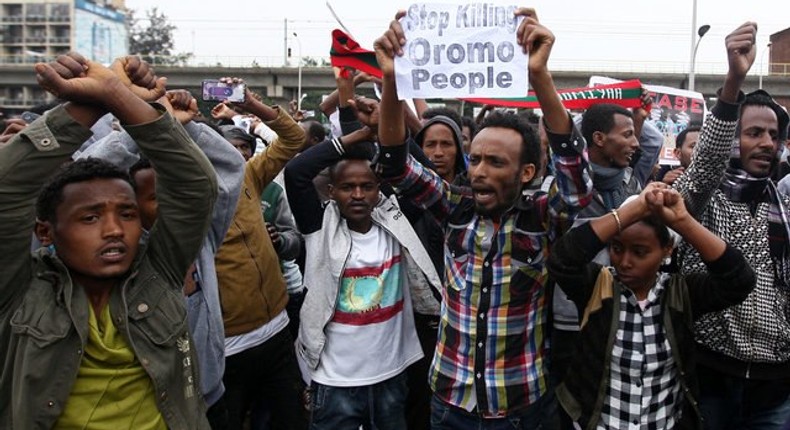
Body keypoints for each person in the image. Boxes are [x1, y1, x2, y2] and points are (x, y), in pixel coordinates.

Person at [375, 8, 592, 428]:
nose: (478, 171)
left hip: (520, 406)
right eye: (474, 159)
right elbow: (395, 163)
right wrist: (390, 78)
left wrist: (539, 76)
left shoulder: (542, 217)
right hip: (449, 402)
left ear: (526, 173)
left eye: (495, 162)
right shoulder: (454, 208)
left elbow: (577, 186)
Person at [0, 53, 217, 429]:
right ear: (46, 232)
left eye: (127, 214)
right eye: (90, 217)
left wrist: (115, 93)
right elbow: (7, 188)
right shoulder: (19, 290)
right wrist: (88, 104)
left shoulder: (159, 272)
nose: (114, 229)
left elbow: (195, 186)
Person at [548, 184, 755, 429]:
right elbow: (563, 259)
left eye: (640, 252)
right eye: (617, 248)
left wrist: (683, 221)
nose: (625, 262)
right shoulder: (597, 286)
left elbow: (740, 281)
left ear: (667, 250)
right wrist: (632, 210)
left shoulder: (682, 293)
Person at [284, 126, 442, 429]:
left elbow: (429, 178)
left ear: (378, 189)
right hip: (333, 382)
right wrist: (357, 138)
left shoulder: (397, 220)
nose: (358, 195)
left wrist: (391, 134)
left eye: (367, 186)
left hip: (392, 377)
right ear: (332, 191)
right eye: (347, 186)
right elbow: (296, 171)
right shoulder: (318, 227)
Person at [673, 22, 790, 429]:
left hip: (775, 384)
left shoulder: (785, 203)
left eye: (773, 135)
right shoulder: (704, 200)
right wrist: (733, 81)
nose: (766, 143)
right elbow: (704, 166)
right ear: (730, 140)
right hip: (712, 375)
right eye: (754, 133)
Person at [212, 78, 308, 430]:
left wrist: (253, 105)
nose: (236, 157)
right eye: (225, 151)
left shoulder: (251, 176)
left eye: (242, 150)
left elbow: (294, 138)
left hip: (279, 332)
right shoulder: (185, 196)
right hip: (227, 348)